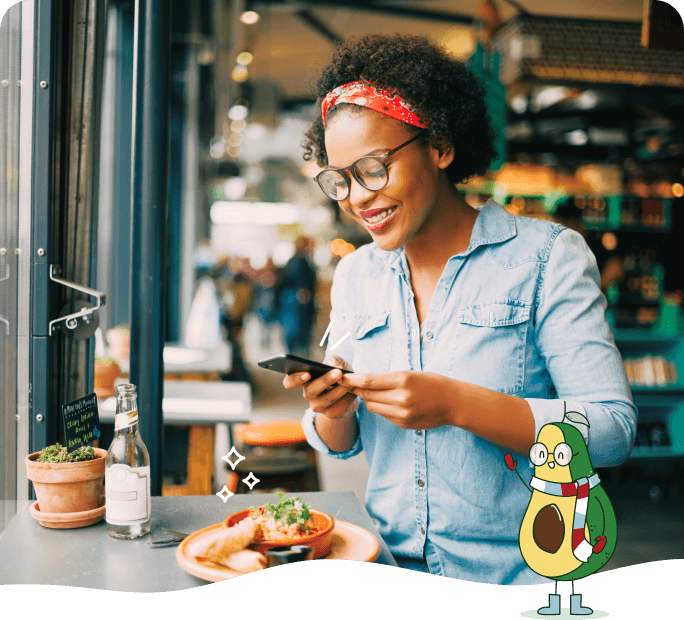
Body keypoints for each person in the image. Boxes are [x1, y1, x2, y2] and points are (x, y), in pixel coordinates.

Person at [282, 33, 636, 584]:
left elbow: (612, 432)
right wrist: (333, 408)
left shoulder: (546, 259)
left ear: (440, 147)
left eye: (374, 168)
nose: (357, 196)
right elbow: (343, 444)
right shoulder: (357, 275)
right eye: (341, 180)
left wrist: (455, 404)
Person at [275, 236, 317, 358]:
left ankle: (297, 355)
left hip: (296, 302)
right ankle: (296, 357)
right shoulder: (298, 261)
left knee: (298, 331)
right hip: (296, 302)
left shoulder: (297, 260)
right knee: (296, 331)